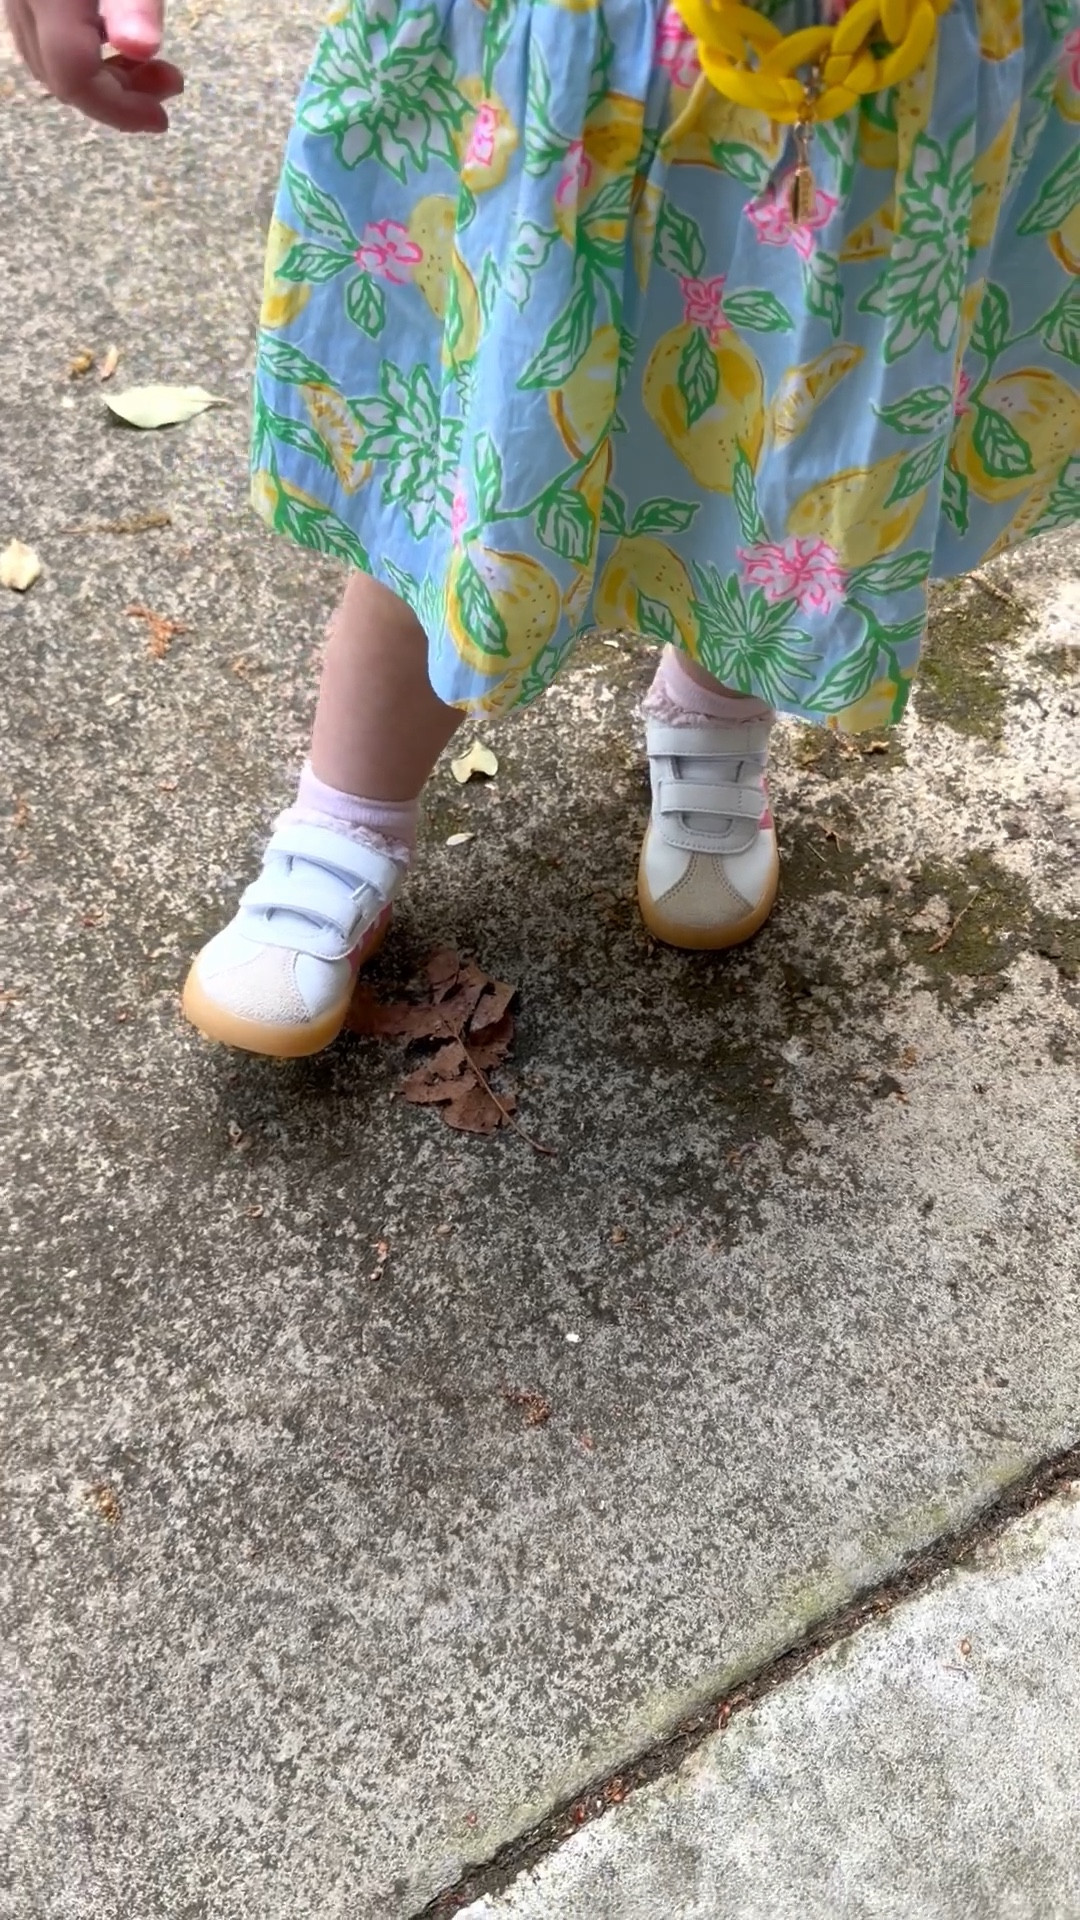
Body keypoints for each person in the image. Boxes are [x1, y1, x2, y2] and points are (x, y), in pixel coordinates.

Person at [8, 0, 1079, 1058]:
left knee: (780, 450)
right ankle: (350, 811)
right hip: (556, 65)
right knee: (468, 479)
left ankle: (713, 699)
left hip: (883, 73)